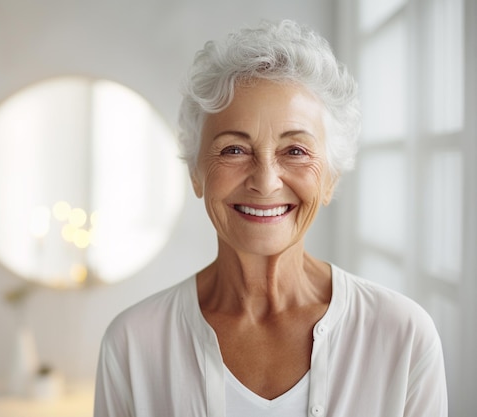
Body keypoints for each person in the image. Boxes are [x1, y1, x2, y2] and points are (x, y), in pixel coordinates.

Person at [94, 20, 447, 417]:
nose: (265, 181)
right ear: (196, 173)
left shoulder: (402, 336)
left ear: (330, 178)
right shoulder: (132, 344)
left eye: (295, 150)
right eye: (233, 150)